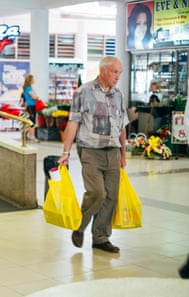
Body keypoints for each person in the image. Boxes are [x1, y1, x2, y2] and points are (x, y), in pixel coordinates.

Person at [58, 56, 129, 253]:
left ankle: (100, 237)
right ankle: (80, 226)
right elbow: (73, 122)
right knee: (97, 193)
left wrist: (123, 153)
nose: (117, 77)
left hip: (113, 151)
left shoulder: (118, 94)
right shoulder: (83, 92)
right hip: (90, 150)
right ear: (103, 71)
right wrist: (66, 152)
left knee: (111, 196)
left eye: (119, 73)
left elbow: (122, 126)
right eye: (115, 72)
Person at [22, 74, 40, 140]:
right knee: (32, 122)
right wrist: (37, 97)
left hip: (30, 106)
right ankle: (32, 136)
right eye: (33, 79)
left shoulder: (27, 88)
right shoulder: (29, 88)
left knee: (31, 121)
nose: (34, 80)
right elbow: (33, 96)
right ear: (30, 80)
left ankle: (30, 135)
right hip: (31, 106)